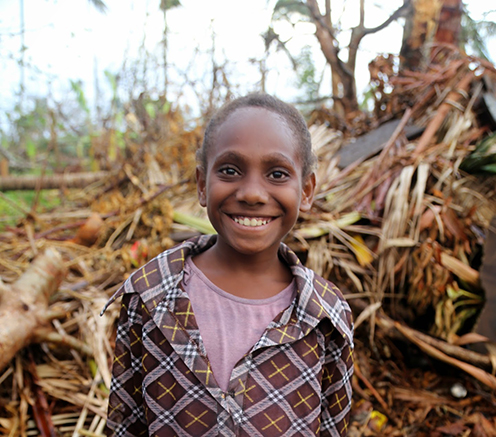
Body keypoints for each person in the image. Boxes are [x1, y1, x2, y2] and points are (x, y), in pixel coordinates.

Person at [102, 93, 354, 436]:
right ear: (202, 184)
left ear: (306, 190)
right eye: (230, 170)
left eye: (277, 174)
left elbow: (332, 428)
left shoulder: (326, 315)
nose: (252, 193)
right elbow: (124, 426)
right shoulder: (149, 296)